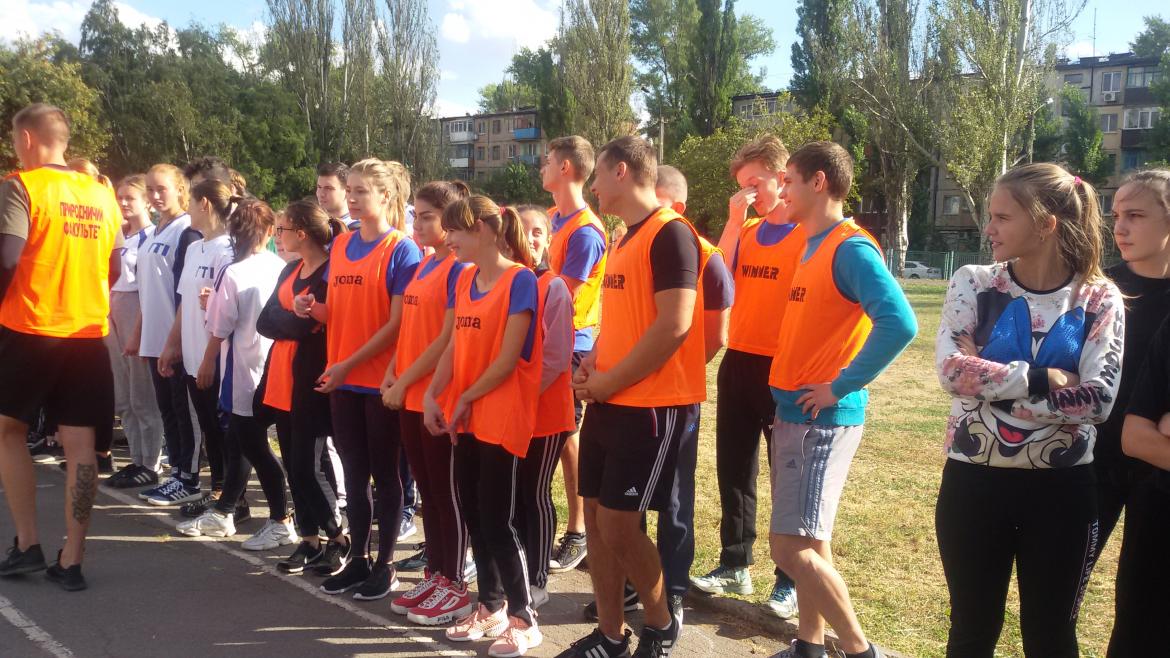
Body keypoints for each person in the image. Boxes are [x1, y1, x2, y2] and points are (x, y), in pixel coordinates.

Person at [935, 163, 1122, 657]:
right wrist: (1045, 378)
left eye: (1002, 217)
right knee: (971, 631)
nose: (988, 229)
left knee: (1051, 636)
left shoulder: (1098, 297)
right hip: (973, 484)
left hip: (1062, 492)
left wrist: (987, 378)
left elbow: (1098, 400)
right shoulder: (975, 282)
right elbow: (952, 372)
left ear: (1045, 224)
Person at [769, 141, 916, 658]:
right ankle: (809, 645)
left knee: (788, 547)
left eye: (788, 181)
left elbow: (900, 323)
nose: (781, 192)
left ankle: (858, 651)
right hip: (797, 416)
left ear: (819, 182)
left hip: (820, 419)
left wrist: (840, 385)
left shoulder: (849, 248)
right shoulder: (812, 243)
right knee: (812, 543)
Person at [558, 136, 703, 658]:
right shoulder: (623, 239)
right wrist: (595, 360)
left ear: (621, 172)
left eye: (598, 174)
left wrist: (609, 381)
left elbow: (675, 325)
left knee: (620, 524)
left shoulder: (672, 234)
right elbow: (626, 319)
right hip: (610, 399)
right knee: (598, 521)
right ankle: (611, 635)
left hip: (651, 407)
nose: (594, 186)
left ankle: (660, 627)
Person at [0, 103, 122, 591]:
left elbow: (9, 257)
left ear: (27, 139)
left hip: (30, 326)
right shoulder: (102, 194)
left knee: (7, 431)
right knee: (81, 446)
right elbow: (115, 265)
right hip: (87, 334)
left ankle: (27, 542)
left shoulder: (21, 185)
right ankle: (72, 559)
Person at [423, 195, 542, 657]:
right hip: (467, 413)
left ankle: (523, 617)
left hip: (500, 414)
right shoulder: (465, 278)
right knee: (474, 513)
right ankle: (489, 605)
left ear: (485, 231)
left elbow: (508, 360)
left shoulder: (521, 281)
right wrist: (435, 394)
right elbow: (454, 345)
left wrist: (465, 399)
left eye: (456, 230)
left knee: (497, 518)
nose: (448, 238)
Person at [690, 136, 803, 618]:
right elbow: (719, 276)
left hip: (785, 366)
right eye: (742, 186)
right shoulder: (749, 229)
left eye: (755, 183)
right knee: (734, 468)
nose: (747, 194)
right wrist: (735, 222)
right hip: (740, 360)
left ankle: (790, 578)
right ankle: (735, 563)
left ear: (783, 176)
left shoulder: (809, 232)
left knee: (787, 476)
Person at [313, 158, 420, 601]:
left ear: (386, 196)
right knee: (355, 475)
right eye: (350, 190)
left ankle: (385, 564)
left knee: (386, 475)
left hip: (379, 381)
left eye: (361, 191)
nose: (352, 198)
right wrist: (312, 311)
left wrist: (348, 363)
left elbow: (397, 325)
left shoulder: (402, 249)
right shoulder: (341, 244)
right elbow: (339, 311)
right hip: (342, 378)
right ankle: (358, 557)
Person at [382, 180, 474, 626]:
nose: (416, 224)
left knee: (445, 494)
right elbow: (410, 328)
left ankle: (454, 584)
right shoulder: (423, 264)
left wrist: (408, 382)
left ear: (450, 220)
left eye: (427, 217)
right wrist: (392, 370)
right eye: (415, 215)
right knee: (428, 494)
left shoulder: (458, 268)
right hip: (411, 394)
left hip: (438, 396)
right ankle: (436, 574)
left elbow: (446, 339)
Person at [178, 198, 293, 550]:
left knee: (250, 443)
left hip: (243, 368)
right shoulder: (280, 265)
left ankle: (280, 518)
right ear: (270, 231)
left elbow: (220, 325)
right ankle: (227, 509)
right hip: (273, 365)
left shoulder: (234, 271)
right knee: (241, 440)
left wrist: (206, 361)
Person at [256, 199, 352, 575]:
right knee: (294, 466)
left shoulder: (330, 272)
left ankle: (338, 537)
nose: (277, 236)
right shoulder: (290, 269)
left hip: (312, 376)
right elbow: (265, 321)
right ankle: (309, 540)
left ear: (301, 233)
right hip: (282, 378)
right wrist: (292, 319)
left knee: (307, 466)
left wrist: (293, 320)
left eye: (281, 230)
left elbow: (307, 325)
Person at [1098, 168, 1170, 656]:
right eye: (1117, 215)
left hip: (1158, 472)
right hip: (1096, 461)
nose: (1120, 228)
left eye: (1136, 216)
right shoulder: (1100, 288)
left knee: (1143, 603)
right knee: (1064, 586)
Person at [539, 135, 607, 574]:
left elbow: (563, 293)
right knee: (552, 435)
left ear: (566, 167)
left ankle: (578, 532)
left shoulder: (585, 230)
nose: (542, 167)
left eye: (548, 160)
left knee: (567, 438)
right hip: (545, 339)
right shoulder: (551, 219)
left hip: (572, 344)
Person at [151, 179, 236, 508]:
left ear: (205, 204)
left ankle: (228, 494)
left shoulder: (227, 249)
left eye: (190, 202)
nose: (187, 209)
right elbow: (186, 301)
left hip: (213, 355)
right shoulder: (194, 247)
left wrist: (209, 357)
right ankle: (218, 490)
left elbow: (226, 307)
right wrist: (171, 344)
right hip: (190, 353)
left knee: (220, 426)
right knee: (207, 425)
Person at [515, 204, 575, 610]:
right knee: (513, 493)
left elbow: (555, 357)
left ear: (548, 240)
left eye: (538, 231)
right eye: (523, 231)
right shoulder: (507, 282)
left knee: (534, 492)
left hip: (545, 411)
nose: (530, 238)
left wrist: (519, 395)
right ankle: (516, 571)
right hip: (511, 412)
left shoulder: (553, 287)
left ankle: (537, 578)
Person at [131, 164, 202, 501]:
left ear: (179, 190)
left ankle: (189, 480)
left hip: (176, 339)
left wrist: (175, 341)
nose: (155, 195)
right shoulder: (155, 231)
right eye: (150, 189)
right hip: (154, 338)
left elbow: (184, 292)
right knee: (168, 411)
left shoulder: (186, 230)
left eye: (162, 189)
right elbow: (148, 290)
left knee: (183, 412)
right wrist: (140, 333)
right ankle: (175, 474)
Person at [104, 174, 166, 489]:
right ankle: (137, 458)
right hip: (112, 308)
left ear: (145, 202)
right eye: (120, 198)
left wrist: (139, 329)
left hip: (135, 309)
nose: (124, 203)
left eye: (130, 198)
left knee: (143, 394)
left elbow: (149, 289)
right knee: (124, 396)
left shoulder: (152, 237)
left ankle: (151, 463)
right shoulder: (118, 235)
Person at [317, 163, 352, 227]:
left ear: (347, 191)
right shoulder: (315, 226)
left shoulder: (359, 229)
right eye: (319, 187)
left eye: (328, 188)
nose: (321, 194)